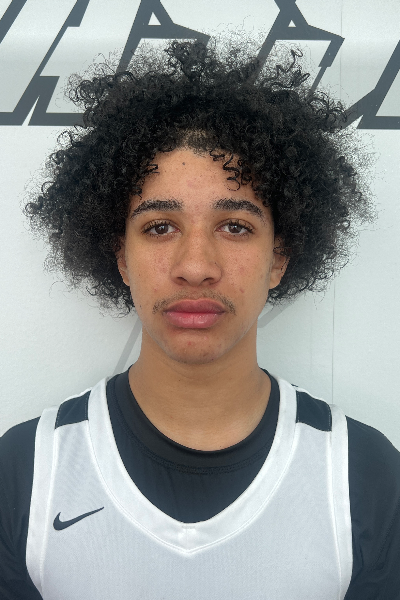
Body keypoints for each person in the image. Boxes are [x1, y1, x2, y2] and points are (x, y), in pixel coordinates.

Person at [0, 39, 399, 600]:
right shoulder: (26, 471)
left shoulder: (364, 475)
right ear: (121, 256)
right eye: (160, 226)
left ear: (279, 257)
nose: (195, 266)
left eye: (235, 226)